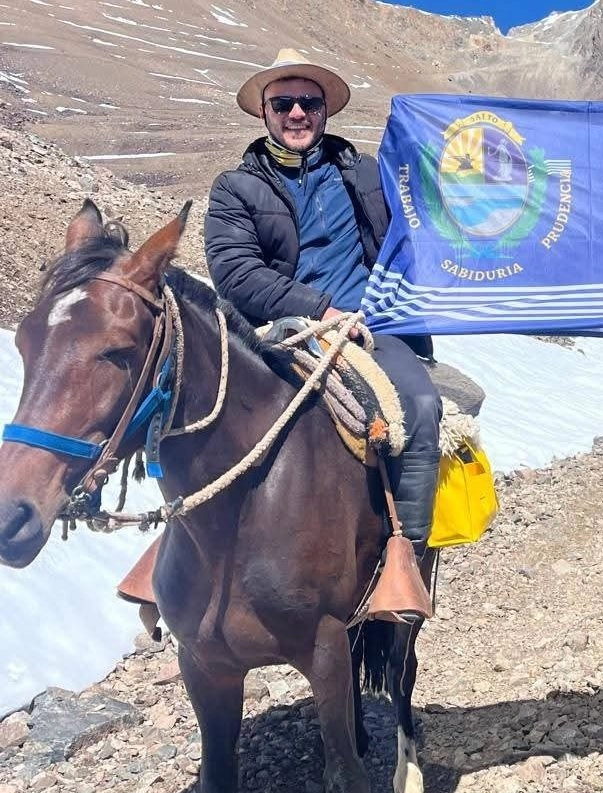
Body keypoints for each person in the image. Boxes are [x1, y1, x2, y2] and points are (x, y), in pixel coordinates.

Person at [117, 50, 439, 622]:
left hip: (368, 332)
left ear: (324, 111)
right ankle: (174, 548)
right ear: (264, 112)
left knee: (418, 403)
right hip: (278, 331)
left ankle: (402, 559)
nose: (296, 112)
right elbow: (237, 274)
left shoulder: (366, 174)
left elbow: (421, 230)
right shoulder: (237, 188)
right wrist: (318, 308)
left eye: (308, 102)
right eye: (282, 102)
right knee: (187, 412)